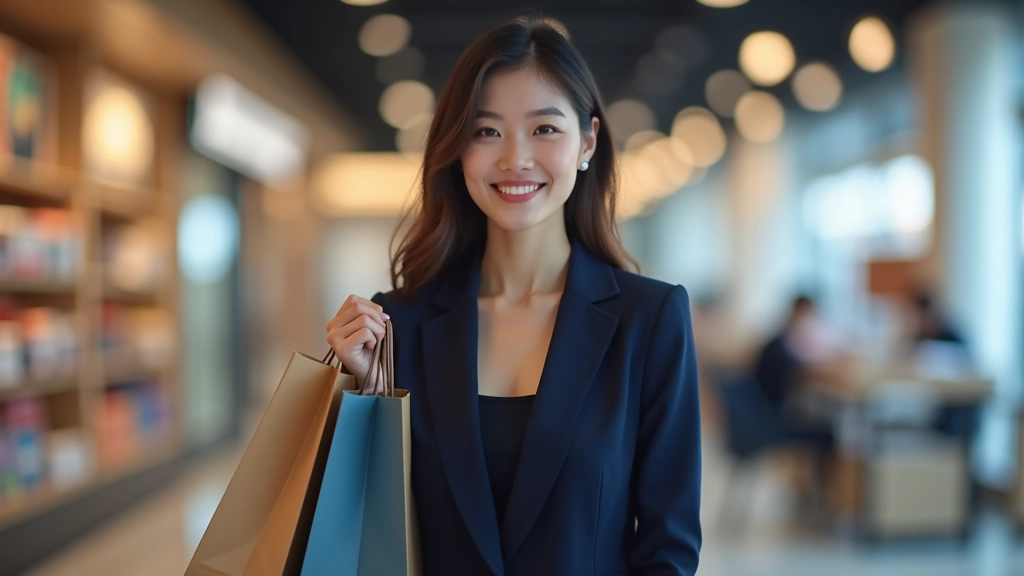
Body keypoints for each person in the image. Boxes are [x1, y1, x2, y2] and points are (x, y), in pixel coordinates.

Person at [325, 18, 701, 576]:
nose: (514, 159)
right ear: (456, 148)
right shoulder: (398, 322)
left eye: (545, 129)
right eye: (486, 131)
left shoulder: (649, 319)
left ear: (587, 142)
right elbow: (365, 531)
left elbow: (668, 547)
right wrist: (362, 391)